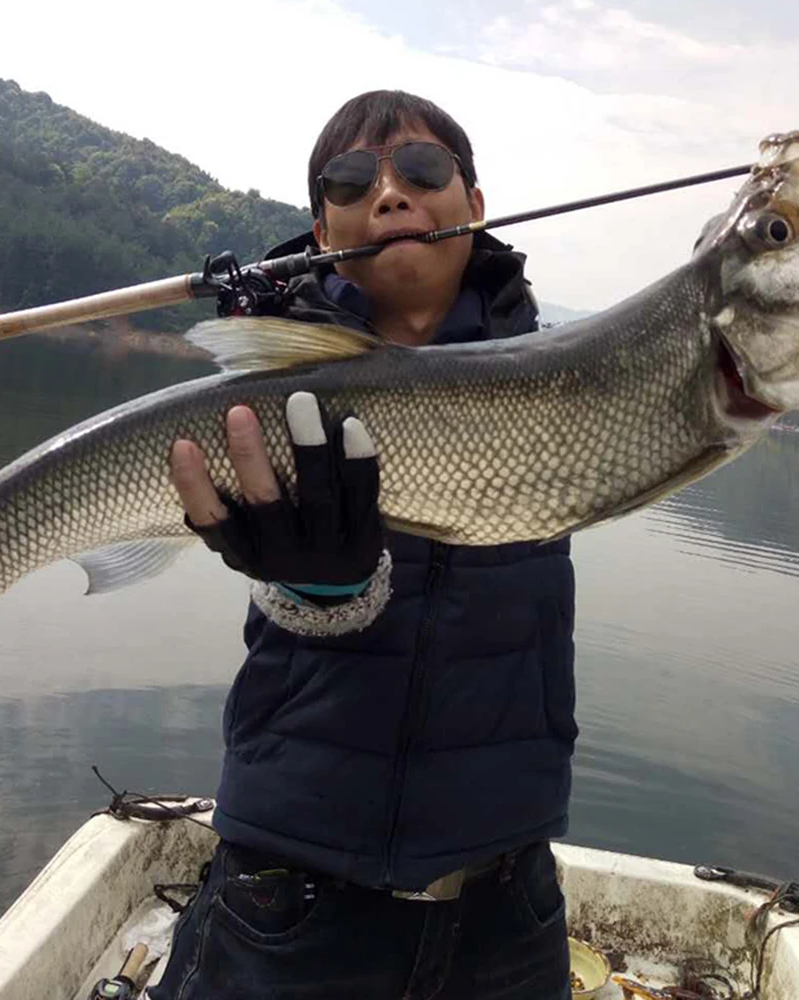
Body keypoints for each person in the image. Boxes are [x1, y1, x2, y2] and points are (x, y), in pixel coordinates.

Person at [152, 89, 578, 1000]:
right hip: (290, 895)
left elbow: (725, 335)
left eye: (422, 169)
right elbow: (292, 599)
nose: (389, 194)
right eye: (351, 182)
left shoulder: (564, 384)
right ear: (321, 228)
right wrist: (317, 589)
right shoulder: (275, 400)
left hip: (509, 902)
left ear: (474, 202)